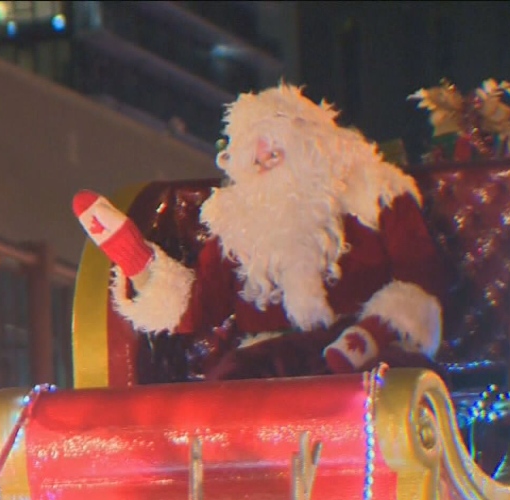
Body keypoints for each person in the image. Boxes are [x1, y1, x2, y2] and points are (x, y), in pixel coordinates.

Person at [73, 83, 452, 380]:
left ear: (311, 147)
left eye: (277, 153)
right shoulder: (240, 220)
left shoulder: (375, 191)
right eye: (258, 160)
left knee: (367, 384)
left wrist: (370, 335)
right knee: (232, 386)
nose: (267, 164)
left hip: (366, 347)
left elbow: (419, 278)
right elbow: (202, 306)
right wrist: (143, 268)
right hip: (270, 360)